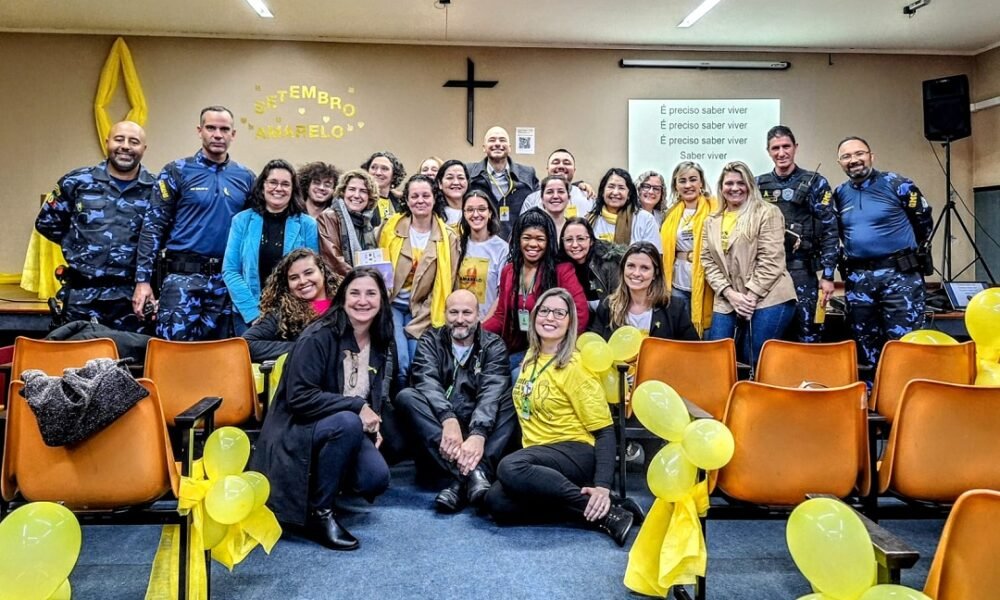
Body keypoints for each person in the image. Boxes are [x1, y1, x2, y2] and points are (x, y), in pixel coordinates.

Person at [250, 268, 393, 551]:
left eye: (370, 294)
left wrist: (373, 421)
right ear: (342, 298)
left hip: (338, 424)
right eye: (354, 293)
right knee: (348, 423)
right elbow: (300, 399)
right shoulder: (318, 336)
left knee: (375, 479)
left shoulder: (380, 338)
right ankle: (320, 514)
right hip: (297, 426)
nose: (362, 301)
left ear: (382, 301)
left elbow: (373, 389)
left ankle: (322, 476)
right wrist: (357, 408)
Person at [484, 288, 636, 546]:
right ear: (534, 317)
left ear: (569, 322)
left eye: (559, 313)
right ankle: (606, 509)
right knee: (496, 502)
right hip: (541, 457)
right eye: (544, 311)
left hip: (576, 451)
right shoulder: (530, 358)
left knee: (511, 467)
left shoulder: (576, 367)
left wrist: (602, 484)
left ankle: (606, 510)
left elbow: (605, 431)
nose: (550, 318)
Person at [133, 105, 255, 341]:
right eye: (211, 128)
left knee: (222, 355)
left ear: (233, 134)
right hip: (182, 279)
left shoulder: (246, 177)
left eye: (224, 129)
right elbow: (152, 228)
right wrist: (142, 282)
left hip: (226, 282)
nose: (217, 134)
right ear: (200, 131)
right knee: (173, 354)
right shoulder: (176, 171)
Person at [394, 290, 517, 512]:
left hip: (480, 434)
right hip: (440, 434)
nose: (460, 319)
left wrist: (478, 433)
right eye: (454, 312)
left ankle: (460, 481)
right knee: (407, 397)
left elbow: (492, 392)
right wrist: (447, 418)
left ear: (479, 315)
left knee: (512, 397)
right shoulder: (430, 340)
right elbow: (426, 381)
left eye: (467, 312)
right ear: (444, 314)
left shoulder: (494, 345)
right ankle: (475, 475)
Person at [35, 120, 153, 333]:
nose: (125, 146)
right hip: (83, 294)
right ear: (107, 142)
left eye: (134, 142)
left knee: (131, 361)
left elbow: (161, 236)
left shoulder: (155, 189)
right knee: (75, 360)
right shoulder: (76, 182)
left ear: (144, 149)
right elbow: (47, 223)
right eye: (119, 139)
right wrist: (81, 245)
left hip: (131, 297)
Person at [832, 136, 933, 367]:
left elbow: (923, 220)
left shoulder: (897, 183)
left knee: (904, 344)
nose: (854, 160)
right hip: (859, 279)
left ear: (871, 156)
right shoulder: (839, 193)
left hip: (899, 276)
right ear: (839, 162)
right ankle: (870, 398)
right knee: (864, 344)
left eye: (859, 153)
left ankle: (901, 399)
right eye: (846, 156)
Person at [702, 161, 797, 366]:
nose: (734, 188)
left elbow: (772, 261)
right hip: (729, 296)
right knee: (717, 356)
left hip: (768, 296)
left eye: (740, 182)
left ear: (749, 185)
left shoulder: (767, 212)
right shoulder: (712, 220)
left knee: (751, 357)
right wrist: (729, 293)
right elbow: (707, 261)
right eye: (729, 183)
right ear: (721, 187)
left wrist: (750, 296)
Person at [755, 126, 839, 343]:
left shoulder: (815, 182)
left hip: (803, 271)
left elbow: (830, 229)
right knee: (770, 337)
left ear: (795, 148)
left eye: (786, 146)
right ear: (768, 151)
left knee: (808, 334)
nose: (781, 153)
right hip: (768, 273)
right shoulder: (758, 184)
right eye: (775, 148)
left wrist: (828, 276)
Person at [484, 208, 589, 373]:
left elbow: (580, 313)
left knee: (515, 375)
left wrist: (561, 350)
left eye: (540, 239)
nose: (533, 244)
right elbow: (501, 315)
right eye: (526, 238)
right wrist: (475, 333)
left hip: (551, 351)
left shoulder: (562, 270)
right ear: (518, 240)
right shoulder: (509, 271)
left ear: (549, 242)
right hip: (516, 349)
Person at [378, 174, 459, 385]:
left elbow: (445, 284)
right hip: (391, 305)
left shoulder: (448, 237)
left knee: (418, 360)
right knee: (400, 360)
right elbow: (379, 270)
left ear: (435, 198)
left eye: (425, 195)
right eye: (414, 196)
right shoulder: (391, 228)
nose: (420, 201)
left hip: (425, 309)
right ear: (406, 199)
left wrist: (421, 319)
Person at [223, 159, 319, 334]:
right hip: (249, 315)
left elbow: (315, 274)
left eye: (285, 184)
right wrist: (253, 314)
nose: (279, 188)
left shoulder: (307, 224)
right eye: (273, 182)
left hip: (295, 314)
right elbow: (230, 270)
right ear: (262, 186)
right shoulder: (242, 221)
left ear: (293, 190)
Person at [243, 248, 339, 362]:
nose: (302, 281)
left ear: (322, 271)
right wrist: (303, 348)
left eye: (308, 273)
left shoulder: (347, 302)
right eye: (294, 278)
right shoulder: (282, 313)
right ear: (287, 284)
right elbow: (246, 343)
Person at [590, 243, 699, 341]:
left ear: (655, 273)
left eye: (644, 268)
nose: (636, 273)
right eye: (631, 266)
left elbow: (694, 351)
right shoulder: (607, 306)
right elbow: (594, 346)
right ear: (623, 269)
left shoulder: (674, 308)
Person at [660, 161, 717, 336]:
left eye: (693, 179)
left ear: (701, 183)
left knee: (707, 332)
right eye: (682, 181)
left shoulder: (716, 208)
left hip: (708, 281)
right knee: (681, 331)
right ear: (675, 186)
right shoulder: (670, 213)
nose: (688, 185)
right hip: (678, 282)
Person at [467, 126, 539, 240]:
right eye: (492, 140)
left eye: (502, 140)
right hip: (480, 243)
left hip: (517, 246)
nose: (497, 144)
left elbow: (540, 201)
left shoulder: (527, 174)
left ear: (509, 148)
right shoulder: (470, 173)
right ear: (484, 148)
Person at [316, 169, 381, 277]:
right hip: (341, 285)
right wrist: (361, 279)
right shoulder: (329, 216)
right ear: (343, 192)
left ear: (370, 197)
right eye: (352, 189)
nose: (356, 195)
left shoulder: (367, 222)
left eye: (363, 191)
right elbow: (334, 260)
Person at [454, 190, 508, 317]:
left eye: (481, 209)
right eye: (470, 210)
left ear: (490, 213)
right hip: (459, 322)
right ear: (464, 214)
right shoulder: (455, 245)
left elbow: (502, 295)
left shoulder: (502, 249)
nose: (476, 214)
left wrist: (485, 325)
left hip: (488, 324)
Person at [586, 168, 662, 252]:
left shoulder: (645, 219)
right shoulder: (590, 220)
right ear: (602, 192)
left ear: (629, 194)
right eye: (611, 187)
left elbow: (654, 256)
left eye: (621, 188)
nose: (615, 192)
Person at [560, 216, 622, 314]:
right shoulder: (560, 267)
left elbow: (618, 304)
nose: (575, 245)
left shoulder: (608, 264)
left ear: (591, 241)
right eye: (568, 240)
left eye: (581, 239)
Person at [521, 148, 595, 216]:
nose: (561, 166)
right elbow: (522, 228)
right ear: (547, 169)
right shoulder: (532, 200)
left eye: (567, 163)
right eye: (556, 162)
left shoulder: (588, 198)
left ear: (574, 170)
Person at [361, 150, 406, 222]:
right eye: (373, 167)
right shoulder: (360, 198)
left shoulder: (399, 202)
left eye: (384, 169)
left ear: (394, 175)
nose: (378, 173)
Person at [435, 159, 470, 226]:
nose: (456, 182)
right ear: (440, 184)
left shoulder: (476, 212)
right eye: (450, 178)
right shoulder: (434, 215)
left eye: (461, 178)